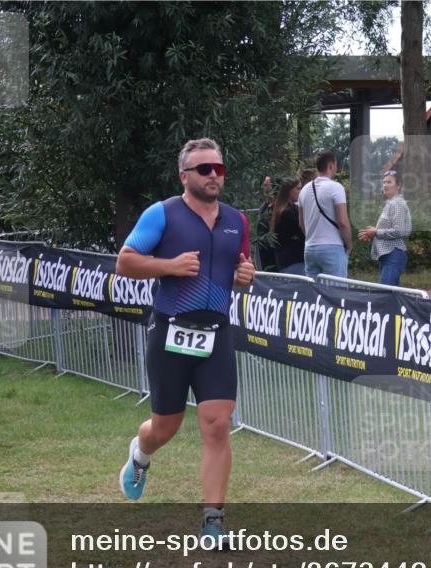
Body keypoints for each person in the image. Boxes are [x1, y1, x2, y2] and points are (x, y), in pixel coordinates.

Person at [115, 138, 255, 544]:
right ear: (185, 176)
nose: (214, 175)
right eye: (205, 169)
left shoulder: (236, 220)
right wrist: (169, 266)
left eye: (219, 169)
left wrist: (247, 278)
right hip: (171, 332)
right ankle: (140, 454)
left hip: (216, 336)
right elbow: (125, 261)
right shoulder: (162, 214)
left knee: (217, 425)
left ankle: (213, 521)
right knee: (165, 427)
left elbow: (242, 268)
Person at [297, 150, 352, 279]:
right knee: (335, 294)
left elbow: (301, 223)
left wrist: (311, 237)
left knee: (313, 294)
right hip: (332, 247)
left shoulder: (304, 190)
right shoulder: (336, 188)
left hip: (310, 248)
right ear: (331, 165)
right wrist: (349, 245)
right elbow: (343, 222)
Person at [358, 170, 411, 286]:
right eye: (384, 182)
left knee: (384, 294)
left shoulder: (397, 203)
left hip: (393, 255)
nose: (385, 185)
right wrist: (373, 232)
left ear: (398, 186)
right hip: (388, 256)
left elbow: (400, 231)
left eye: (389, 182)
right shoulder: (391, 203)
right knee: (391, 296)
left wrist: (376, 232)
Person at [269, 177, 305, 275]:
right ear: (289, 191)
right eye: (298, 188)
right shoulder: (287, 213)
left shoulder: (288, 209)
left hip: (288, 261)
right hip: (293, 261)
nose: (301, 191)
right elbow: (302, 232)